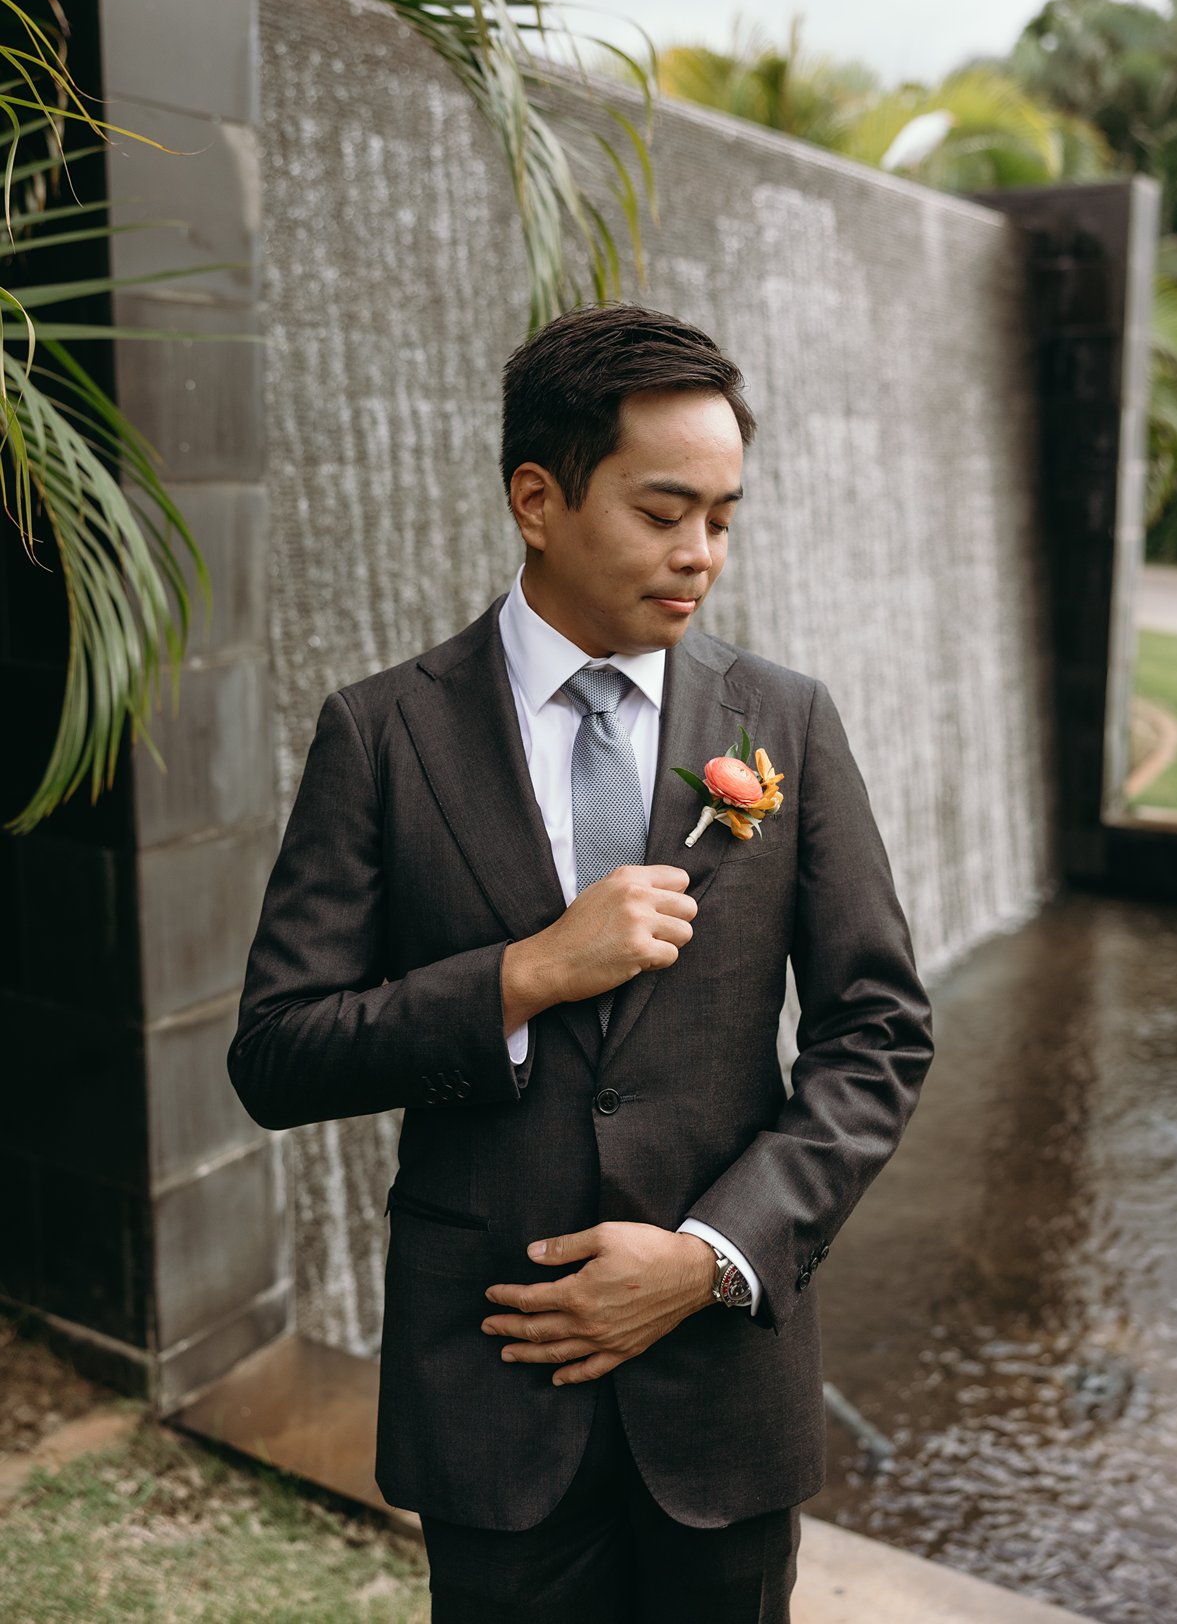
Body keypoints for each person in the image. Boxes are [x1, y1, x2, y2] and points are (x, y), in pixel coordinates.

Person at [229, 302, 934, 1623]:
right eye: (664, 512)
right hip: (492, 1391)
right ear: (537, 499)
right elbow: (276, 1051)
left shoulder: (782, 718)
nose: (700, 555)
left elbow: (877, 1031)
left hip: (723, 1389)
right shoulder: (380, 736)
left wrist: (713, 1253)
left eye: (722, 517)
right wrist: (520, 977)